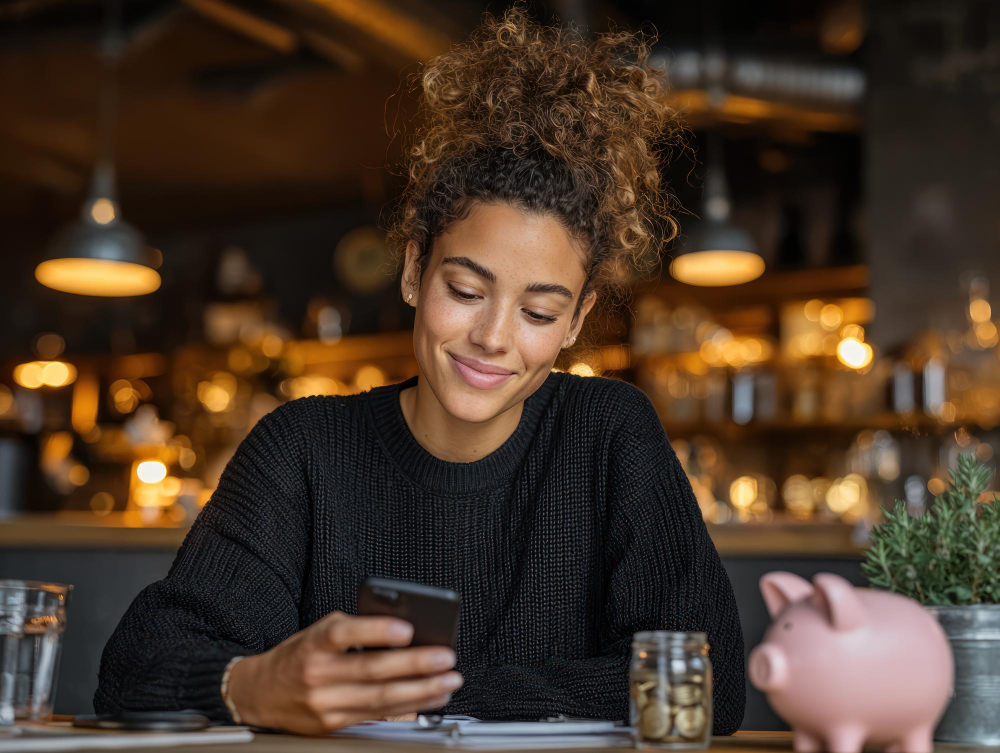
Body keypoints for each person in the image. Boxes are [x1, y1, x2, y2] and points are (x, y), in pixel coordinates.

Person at [95, 3, 745, 735]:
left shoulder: (610, 435)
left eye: (537, 312)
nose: (493, 336)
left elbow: (707, 679)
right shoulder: (303, 450)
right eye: (465, 291)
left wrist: (437, 694)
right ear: (413, 270)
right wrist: (251, 682)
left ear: (575, 321)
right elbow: (135, 667)